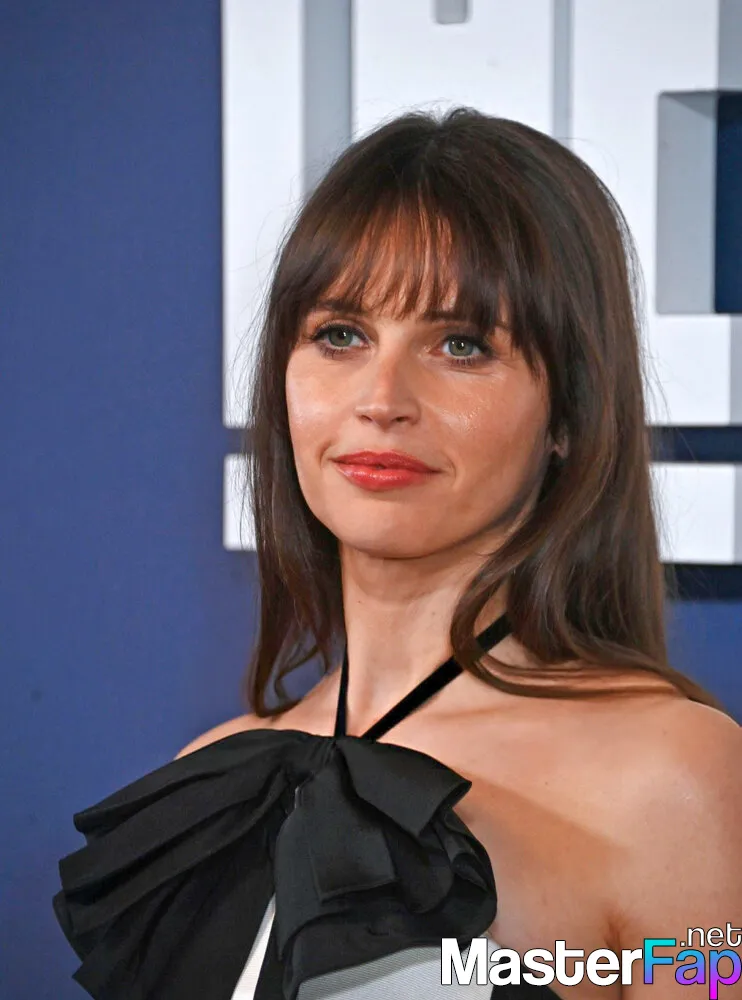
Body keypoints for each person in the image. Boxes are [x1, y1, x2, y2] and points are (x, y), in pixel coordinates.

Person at [53, 107, 741, 1000]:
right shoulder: (211, 777)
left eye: (461, 345)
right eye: (340, 334)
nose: (381, 399)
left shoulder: (676, 780)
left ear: (569, 414)